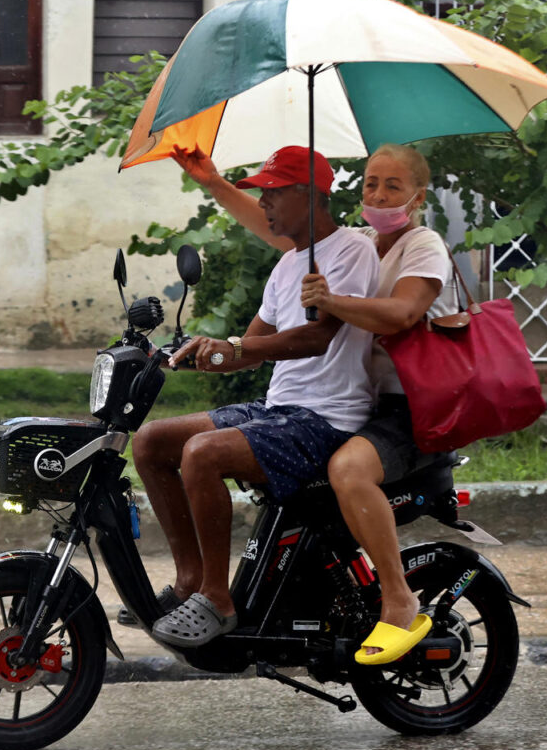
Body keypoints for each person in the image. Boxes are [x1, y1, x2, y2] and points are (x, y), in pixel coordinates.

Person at [174, 142, 457, 665]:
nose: (378, 193)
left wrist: (328, 302)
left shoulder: (422, 246)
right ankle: (198, 589)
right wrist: (214, 182)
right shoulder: (364, 242)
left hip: (412, 407)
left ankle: (399, 599)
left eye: (393, 185)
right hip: (365, 404)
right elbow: (278, 229)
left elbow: (400, 314)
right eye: (371, 182)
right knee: (165, 441)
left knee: (349, 469)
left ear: (418, 197)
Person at [131, 145, 379, 648]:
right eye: (260, 195)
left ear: (309, 195)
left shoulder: (353, 250)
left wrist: (238, 346)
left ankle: (219, 602)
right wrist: (204, 352)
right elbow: (252, 347)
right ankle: (191, 583)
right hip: (278, 411)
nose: (263, 205)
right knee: (152, 442)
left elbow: (316, 338)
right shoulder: (288, 265)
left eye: (272, 193)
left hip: (325, 420)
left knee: (201, 453)